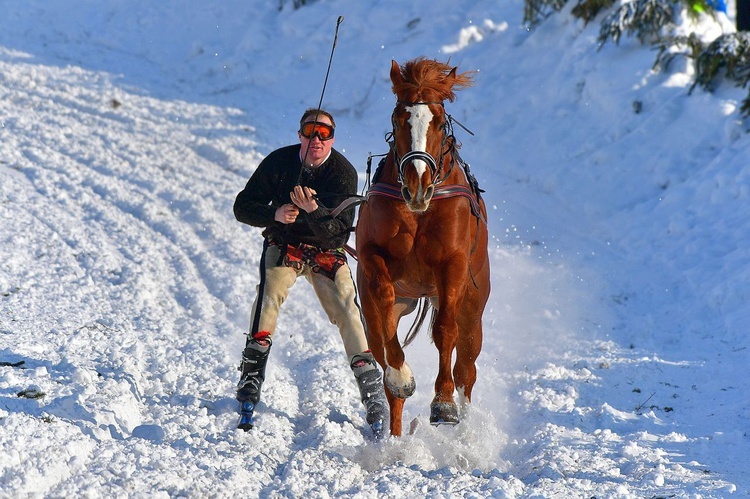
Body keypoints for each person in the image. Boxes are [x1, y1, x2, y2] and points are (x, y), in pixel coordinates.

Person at [232, 107, 388, 437]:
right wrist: (275, 214)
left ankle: (372, 394)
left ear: (332, 138)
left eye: (324, 133)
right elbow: (242, 206)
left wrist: (312, 211)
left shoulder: (343, 173)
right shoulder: (278, 163)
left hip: (326, 251)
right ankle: (250, 379)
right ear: (299, 135)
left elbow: (338, 234)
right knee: (268, 299)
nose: (317, 139)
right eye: (310, 131)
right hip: (284, 244)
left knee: (348, 310)